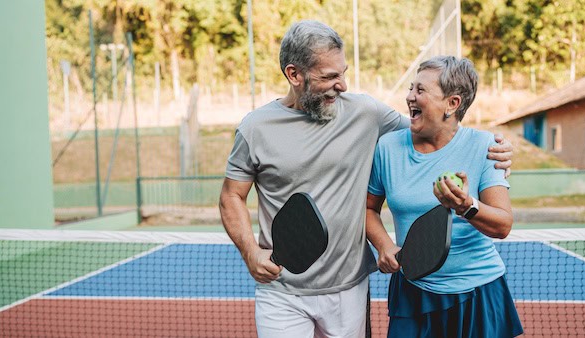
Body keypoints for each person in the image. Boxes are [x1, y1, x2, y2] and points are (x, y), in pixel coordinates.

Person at [219, 21, 513, 337]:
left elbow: (436, 129)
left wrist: (501, 148)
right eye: (330, 76)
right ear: (294, 75)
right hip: (282, 289)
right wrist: (250, 251)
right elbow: (231, 197)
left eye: (343, 73)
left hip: (349, 289)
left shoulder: (366, 113)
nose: (342, 85)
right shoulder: (255, 128)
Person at [366, 55, 523, 337]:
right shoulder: (387, 148)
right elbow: (367, 209)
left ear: (452, 103)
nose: (409, 96)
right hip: (412, 291)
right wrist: (384, 245)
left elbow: (502, 225)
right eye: (411, 88)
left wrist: (466, 206)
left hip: (478, 293)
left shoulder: (486, 146)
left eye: (420, 90)